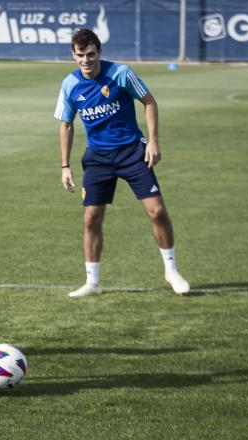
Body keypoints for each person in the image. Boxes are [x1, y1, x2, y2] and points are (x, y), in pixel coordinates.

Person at [54, 28, 190, 298]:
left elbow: (149, 102)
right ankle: (92, 282)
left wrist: (152, 141)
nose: (86, 60)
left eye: (90, 54)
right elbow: (66, 124)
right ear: (73, 54)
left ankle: (171, 270)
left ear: (99, 52)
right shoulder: (69, 84)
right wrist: (65, 166)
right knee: (91, 218)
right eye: (80, 55)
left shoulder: (121, 73)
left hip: (132, 153)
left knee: (157, 211)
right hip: (98, 158)